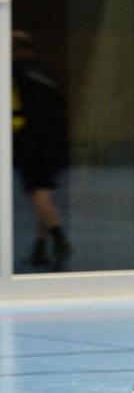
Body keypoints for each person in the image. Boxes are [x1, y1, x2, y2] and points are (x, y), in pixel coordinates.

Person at [11, 29, 72, 271]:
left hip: (32, 140)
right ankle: (40, 244)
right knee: (43, 192)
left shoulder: (15, 72)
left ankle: (59, 240)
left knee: (39, 193)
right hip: (54, 139)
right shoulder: (46, 72)